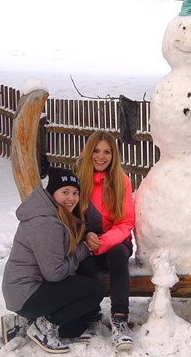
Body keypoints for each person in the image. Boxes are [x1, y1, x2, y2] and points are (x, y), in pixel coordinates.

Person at [1, 167, 104, 354]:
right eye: (65, 192)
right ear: (52, 193)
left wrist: (87, 234)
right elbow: (55, 273)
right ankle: (42, 327)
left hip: (25, 291)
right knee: (94, 291)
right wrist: (84, 249)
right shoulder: (46, 223)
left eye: (75, 193)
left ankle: (21, 322)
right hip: (26, 292)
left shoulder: (55, 213)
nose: (71, 198)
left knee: (73, 328)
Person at [74, 130, 136, 351]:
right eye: (97, 151)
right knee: (83, 262)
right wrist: (86, 235)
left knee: (119, 255)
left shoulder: (122, 181)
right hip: (87, 240)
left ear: (113, 155)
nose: (101, 156)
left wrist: (104, 242)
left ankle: (120, 318)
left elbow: (127, 221)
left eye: (107, 152)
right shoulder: (79, 179)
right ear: (89, 152)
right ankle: (90, 316)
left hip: (115, 242)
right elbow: (71, 216)